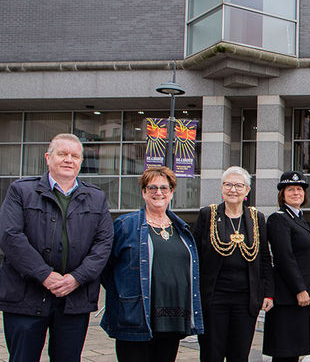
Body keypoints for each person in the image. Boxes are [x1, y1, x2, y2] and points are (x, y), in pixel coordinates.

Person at [0, 133, 113, 362]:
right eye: (62, 154)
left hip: (74, 299)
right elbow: (10, 236)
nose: (69, 160)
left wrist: (76, 278)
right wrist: (44, 275)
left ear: (81, 161)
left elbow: (103, 244)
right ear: (48, 157)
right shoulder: (21, 191)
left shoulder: (96, 197)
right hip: (25, 297)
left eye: (75, 156)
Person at [101, 166, 203, 361]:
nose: (158, 192)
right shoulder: (125, 225)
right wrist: (124, 295)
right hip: (136, 318)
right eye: (152, 187)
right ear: (144, 192)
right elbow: (106, 268)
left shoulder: (182, 229)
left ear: (171, 192)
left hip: (173, 320)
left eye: (164, 188)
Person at [193, 166, 274, 362]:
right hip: (214, 297)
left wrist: (268, 292)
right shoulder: (208, 215)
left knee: (239, 353)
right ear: (222, 188)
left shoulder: (256, 218)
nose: (233, 190)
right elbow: (195, 256)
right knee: (212, 352)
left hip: (246, 299)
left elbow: (264, 257)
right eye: (228, 185)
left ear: (247, 190)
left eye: (238, 186)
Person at [263, 171, 310, 362]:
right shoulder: (278, 218)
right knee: (285, 353)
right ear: (282, 194)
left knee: (296, 351)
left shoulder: (299, 218)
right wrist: (300, 289)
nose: (296, 193)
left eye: (299, 189)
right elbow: (284, 257)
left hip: (302, 298)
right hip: (289, 297)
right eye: (291, 189)